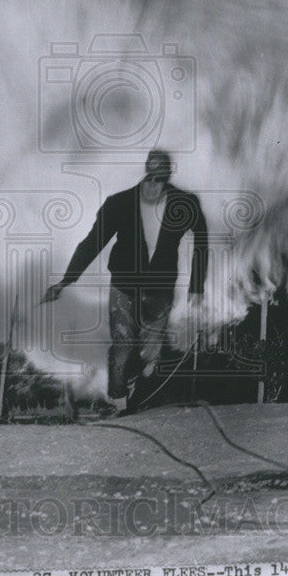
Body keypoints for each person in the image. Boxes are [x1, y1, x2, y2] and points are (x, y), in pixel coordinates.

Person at [40, 150, 208, 413]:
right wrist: (66, 280)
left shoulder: (184, 203)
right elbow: (92, 242)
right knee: (122, 345)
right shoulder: (119, 204)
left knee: (149, 355)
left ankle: (135, 384)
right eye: (150, 179)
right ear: (145, 175)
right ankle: (118, 401)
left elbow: (202, 243)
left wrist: (197, 287)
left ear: (167, 178)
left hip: (160, 289)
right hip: (124, 285)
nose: (154, 187)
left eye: (160, 181)